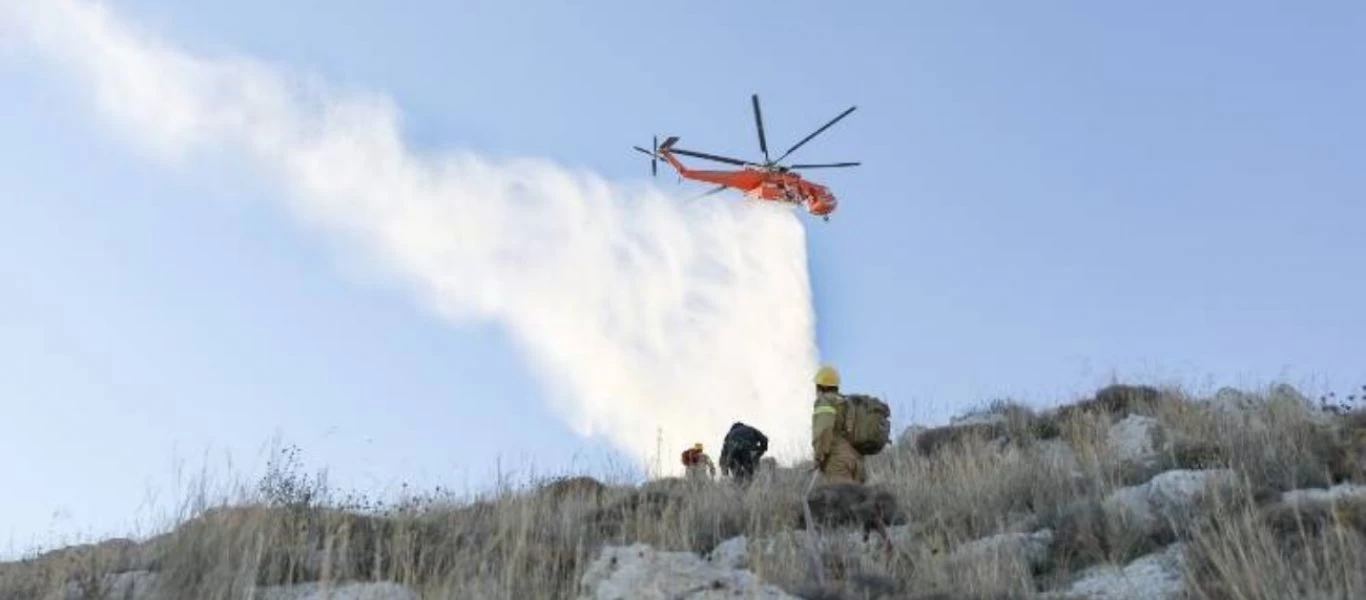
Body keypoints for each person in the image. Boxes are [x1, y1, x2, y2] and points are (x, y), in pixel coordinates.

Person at [811, 364, 867, 484]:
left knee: (840, 501)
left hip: (838, 463)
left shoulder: (825, 402)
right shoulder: (847, 403)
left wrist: (818, 458)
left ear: (819, 387)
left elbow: (823, 430)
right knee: (855, 501)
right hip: (857, 462)